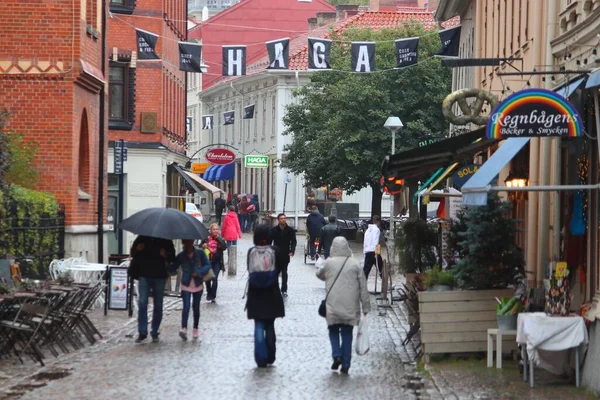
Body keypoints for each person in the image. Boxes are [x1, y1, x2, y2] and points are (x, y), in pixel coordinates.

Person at [316, 237, 370, 374]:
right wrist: (366, 306)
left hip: (333, 305)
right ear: (347, 247)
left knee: (333, 330)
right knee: (347, 333)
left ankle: (336, 355)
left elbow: (319, 274)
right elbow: (363, 286)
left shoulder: (329, 263)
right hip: (350, 306)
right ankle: (346, 364)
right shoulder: (355, 264)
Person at [245, 224, 285, 368]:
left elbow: (249, 270)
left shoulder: (251, 252)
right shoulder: (275, 251)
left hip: (255, 294)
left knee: (258, 324)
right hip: (271, 293)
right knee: (269, 325)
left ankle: (260, 356)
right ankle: (270, 354)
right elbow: (280, 267)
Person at [129, 235, 175, 343]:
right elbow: (133, 252)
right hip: (144, 274)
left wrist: (166, 255)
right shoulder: (142, 237)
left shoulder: (166, 239)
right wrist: (137, 249)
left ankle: (154, 331)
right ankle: (142, 331)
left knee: (158, 304)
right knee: (142, 302)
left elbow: (172, 256)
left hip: (159, 276)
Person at [170, 239, 211, 340]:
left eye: (190, 242)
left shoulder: (200, 253)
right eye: (186, 242)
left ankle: (195, 328)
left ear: (192, 242)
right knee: (186, 306)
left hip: (198, 284)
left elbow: (207, 265)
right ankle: (184, 328)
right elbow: (173, 267)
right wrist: (165, 259)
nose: (188, 244)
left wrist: (199, 272)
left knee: (196, 308)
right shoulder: (181, 256)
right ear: (184, 243)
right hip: (186, 284)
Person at [269, 213, 297, 297]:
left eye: (284, 218)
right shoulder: (274, 230)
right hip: (276, 254)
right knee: (275, 273)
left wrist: (292, 250)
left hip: (285, 254)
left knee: (284, 272)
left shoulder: (290, 230)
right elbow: (270, 241)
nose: (283, 220)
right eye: (281, 218)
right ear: (278, 220)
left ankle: (284, 290)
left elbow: (293, 241)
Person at [205, 223, 227, 302]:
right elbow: (200, 247)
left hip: (217, 262)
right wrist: (203, 245)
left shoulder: (220, 238)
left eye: (217, 229)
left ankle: (213, 296)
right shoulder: (207, 238)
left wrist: (218, 238)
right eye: (214, 229)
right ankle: (209, 292)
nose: (215, 231)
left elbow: (224, 247)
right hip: (208, 261)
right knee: (207, 279)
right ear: (210, 230)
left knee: (214, 278)